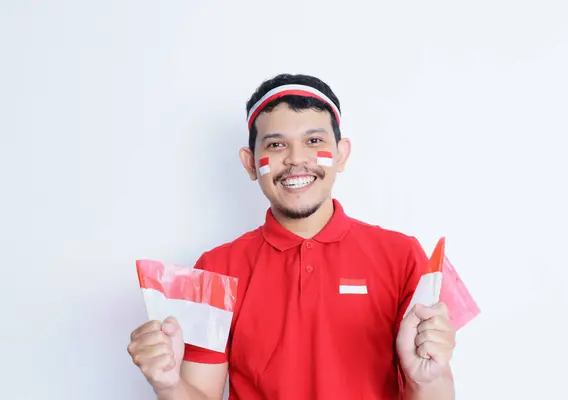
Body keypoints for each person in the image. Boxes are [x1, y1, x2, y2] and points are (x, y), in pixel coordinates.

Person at [127, 73, 457, 399]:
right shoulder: (213, 267)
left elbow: (434, 386)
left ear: (341, 154)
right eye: (276, 144)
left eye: (314, 141)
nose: (297, 159)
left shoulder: (403, 255)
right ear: (250, 162)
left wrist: (428, 380)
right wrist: (169, 385)